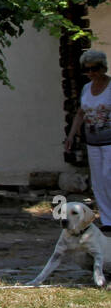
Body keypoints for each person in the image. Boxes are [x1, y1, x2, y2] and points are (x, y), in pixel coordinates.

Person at [66, 49, 111, 231]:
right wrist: (71, 135)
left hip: (110, 141)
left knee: (109, 177)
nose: (91, 73)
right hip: (93, 142)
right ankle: (107, 220)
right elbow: (80, 113)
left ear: (103, 68)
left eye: (94, 69)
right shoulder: (86, 88)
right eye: (87, 70)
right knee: (98, 181)